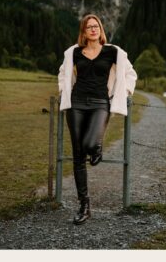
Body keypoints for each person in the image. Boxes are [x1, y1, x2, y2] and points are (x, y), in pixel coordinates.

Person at [57, 14, 137, 224]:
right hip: (76, 104)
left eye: (96, 26)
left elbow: (130, 73)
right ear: (83, 32)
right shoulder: (73, 52)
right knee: (78, 155)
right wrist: (62, 91)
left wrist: (124, 92)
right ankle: (84, 205)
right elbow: (63, 73)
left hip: (101, 103)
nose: (93, 29)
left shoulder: (113, 51)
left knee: (90, 143)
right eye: (89, 27)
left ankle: (97, 148)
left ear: (101, 29)